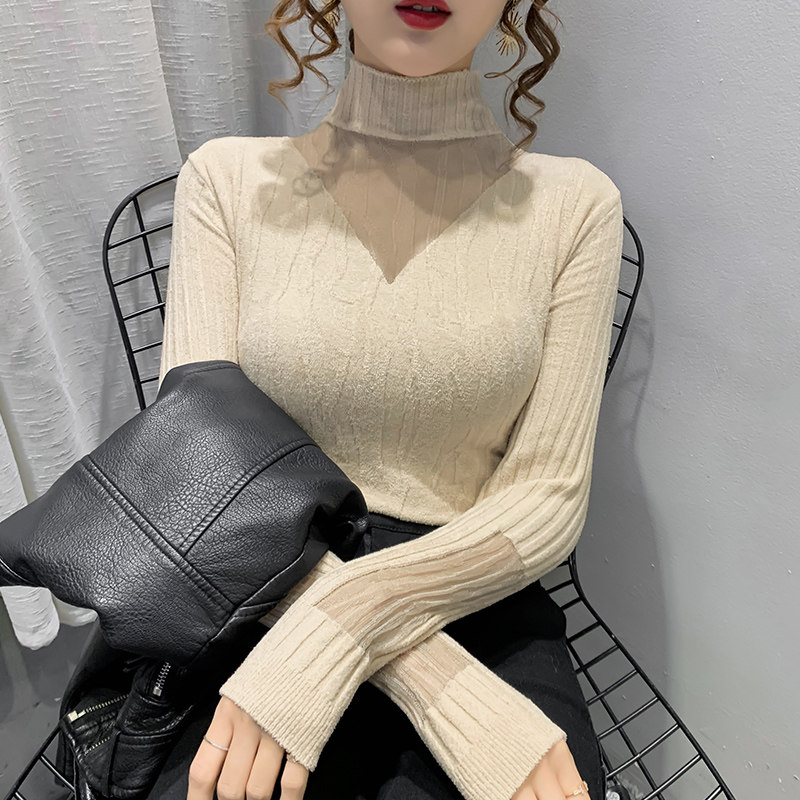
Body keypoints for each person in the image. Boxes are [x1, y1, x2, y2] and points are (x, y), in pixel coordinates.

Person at [148, 1, 624, 799]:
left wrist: (354, 621)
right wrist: (439, 689)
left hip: (473, 586)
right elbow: (195, 467)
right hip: (250, 582)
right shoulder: (226, 182)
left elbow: (549, 491)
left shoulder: (576, 207)